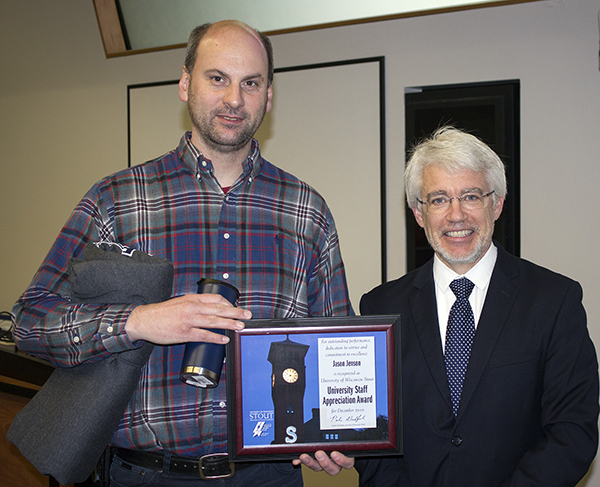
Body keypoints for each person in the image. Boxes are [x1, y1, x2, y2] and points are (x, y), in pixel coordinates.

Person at [12, 20, 352, 486]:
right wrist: (139, 321)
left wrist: (335, 432)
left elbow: (338, 345)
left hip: (267, 475)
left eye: (250, 83)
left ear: (268, 96)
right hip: (144, 474)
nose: (235, 98)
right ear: (185, 84)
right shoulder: (116, 200)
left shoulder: (306, 211)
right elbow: (31, 322)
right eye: (218, 78)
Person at [297, 126, 599, 486]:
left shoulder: (554, 300)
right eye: (438, 199)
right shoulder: (381, 305)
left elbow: (572, 433)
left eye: (471, 196)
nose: (456, 215)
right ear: (419, 214)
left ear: (497, 203)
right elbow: (375, 435)